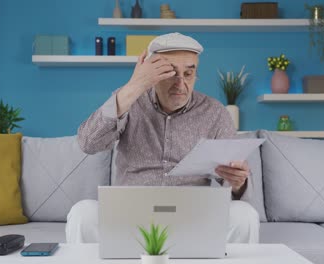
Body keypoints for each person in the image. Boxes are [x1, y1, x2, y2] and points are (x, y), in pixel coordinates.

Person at [66, 32, 259, 244]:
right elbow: (87, 143)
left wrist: (238, 182)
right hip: (130, 215)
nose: (180, 83)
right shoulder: (129, 99)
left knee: (245, 215)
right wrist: (134, 86)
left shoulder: (215, 112)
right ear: (151, 73)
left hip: (193, 217)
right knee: (82, 214)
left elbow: (232, 181)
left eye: (188, 73)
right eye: (170, 73)